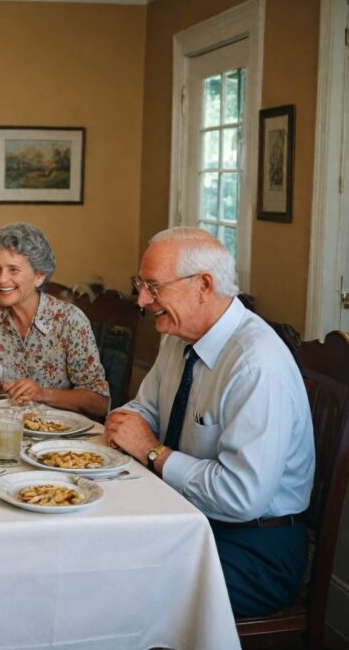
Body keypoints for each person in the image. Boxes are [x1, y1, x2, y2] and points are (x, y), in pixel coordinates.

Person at [105, 226, 314, 619]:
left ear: (203, 285)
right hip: (191, 516)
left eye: (153, 286)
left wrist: (152, 451)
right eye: (140, 284)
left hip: (257, 547)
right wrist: (127, 420)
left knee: (119, 588)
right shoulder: (177, 336)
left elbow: (241, 495)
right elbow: (147, 407)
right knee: (95, 552)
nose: (141, 300)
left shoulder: (256, 364)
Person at [0, 223, 108, 419]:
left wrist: (42, 394)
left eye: (13, 270)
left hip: (60, 434)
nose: (1, 279)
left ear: (39, 276)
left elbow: (100, 403)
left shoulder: (70, 321)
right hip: (5, 426)